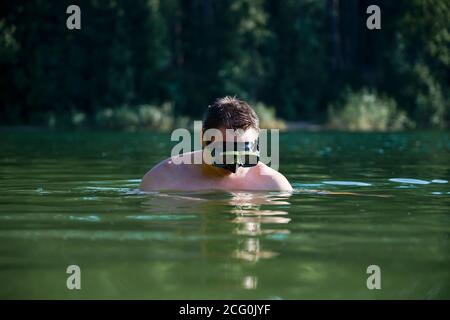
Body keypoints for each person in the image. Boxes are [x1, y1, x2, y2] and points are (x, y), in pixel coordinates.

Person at [140, 96, 292, 191]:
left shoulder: (272, 184)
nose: (235, 166)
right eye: (224, 154)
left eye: (245, 155)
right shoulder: (162, 178)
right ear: (204, 139)